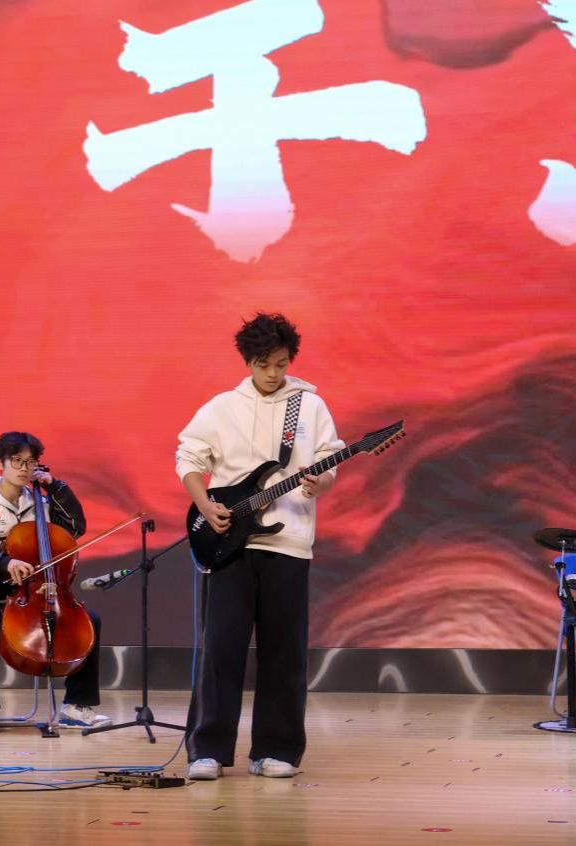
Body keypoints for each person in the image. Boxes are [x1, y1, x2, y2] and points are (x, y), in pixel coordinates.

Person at [176, 313, 344, 780]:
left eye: (281, 364)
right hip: (228, 542)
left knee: (284, 651)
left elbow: (330, 458)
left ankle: (278, 749)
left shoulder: (310, 406)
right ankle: (207, 750)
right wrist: (204, 504)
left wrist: (322, 481)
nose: (272, 373)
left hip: (289, 543)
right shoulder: (221, 407)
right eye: (263, 364)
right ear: (248, 361)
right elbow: (189, 456)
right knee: (221, 648)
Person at [0, 431, 112, 733]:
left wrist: (57, 488)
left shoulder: (40, 503)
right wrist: (4, 563)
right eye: (16, 461)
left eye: (30, 462)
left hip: (40, 595)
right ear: (0, 463)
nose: (24, 468)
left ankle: (76, 707)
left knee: (90, 620)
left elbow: (74, 528)